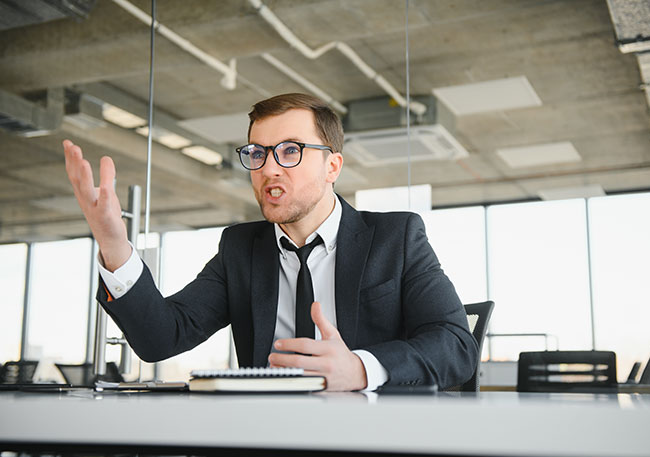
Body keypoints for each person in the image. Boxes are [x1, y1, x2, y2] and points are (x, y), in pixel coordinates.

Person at [63, 93, 477, 391]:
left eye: (290, 151)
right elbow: (161, 338)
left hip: (369, 442)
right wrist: (114, 243)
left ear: (332, 166)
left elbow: (456, 346)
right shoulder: (240, 249)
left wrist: (361, 368)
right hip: (263, 440)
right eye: (258, 154)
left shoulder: (395, 237)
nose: (269, 168)